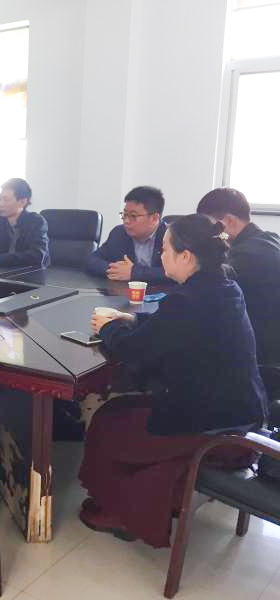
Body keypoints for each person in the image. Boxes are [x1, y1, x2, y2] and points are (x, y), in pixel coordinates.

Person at [80, 214, 267, 547]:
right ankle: (124, 502)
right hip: (242, 411)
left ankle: (120, 511)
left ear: (186, 256)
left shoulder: (190, 299)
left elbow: (135, 350)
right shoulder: (220, 285)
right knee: (121, 409)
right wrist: (129, 319)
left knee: (109, 421)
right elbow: (169, 329)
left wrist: (109, 328)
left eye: (165, 249)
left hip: (214, 425)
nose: (161, 256)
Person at [197, 187, 280, 369]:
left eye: (213, 228)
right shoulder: (270, 239)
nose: (211, 235)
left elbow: (207, 284)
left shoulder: (246, 255)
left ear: (228, 221)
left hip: (263, 352)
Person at [86, 186, 170, 282]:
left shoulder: (172, 237)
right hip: (122, 290)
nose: (126, 221)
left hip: (160, 291)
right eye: (125, 215)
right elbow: (92, 261)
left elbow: (176, 273)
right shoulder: (119, 233)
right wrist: (117, 270)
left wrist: (134, 273)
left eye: (133, 216)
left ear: (154, 218)